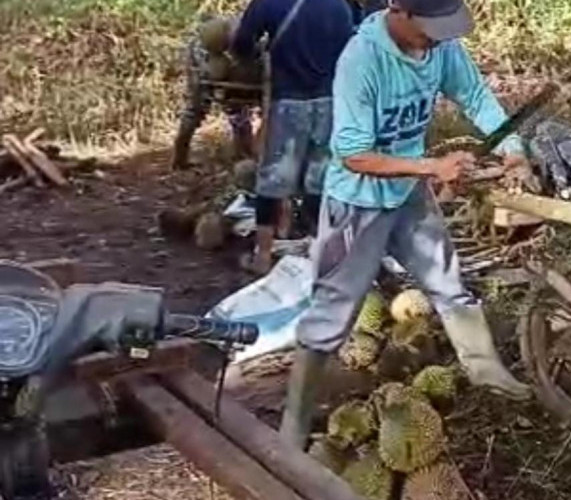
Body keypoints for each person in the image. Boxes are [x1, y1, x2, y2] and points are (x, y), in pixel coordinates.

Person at [280, 0, 532, 449]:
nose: (437, 37)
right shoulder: (362, 60)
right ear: (400, 10)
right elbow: (353, 154)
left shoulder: (441, 48)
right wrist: (431, 167)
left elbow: (473, 94)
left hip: (408, 194)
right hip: (356, 204)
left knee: (447, 280)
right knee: (331, 311)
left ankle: (486, 372)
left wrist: (511, 144)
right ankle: (294, 422)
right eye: (430, 27)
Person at [231, 0, 356, 275]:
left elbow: (241, 44)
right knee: (319, 180)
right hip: (330, 100)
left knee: (273, 178)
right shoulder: (340, 6)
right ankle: (322, 254)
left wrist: (259, 54)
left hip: (288, 101)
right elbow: (351, 48)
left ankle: (263, 256)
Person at [172, 16, 262, 170]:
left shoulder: (244, 35)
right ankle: (180, 158)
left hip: (234, 70)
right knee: (198, 110)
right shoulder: (216, 43)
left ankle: (243, 155)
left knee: (234, 111)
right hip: (224, 67)